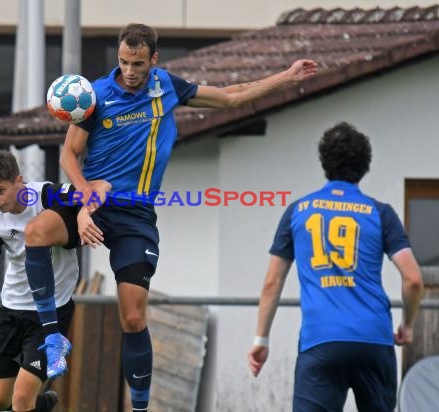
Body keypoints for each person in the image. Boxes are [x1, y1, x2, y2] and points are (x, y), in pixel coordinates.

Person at [25, 23, 318, 411]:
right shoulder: (93, 96)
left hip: (135, 214)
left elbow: (232, 97)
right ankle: (52, 336)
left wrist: (287, 76)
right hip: (92, 200)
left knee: (132, 316)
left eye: (138, 63)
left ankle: (141, 408)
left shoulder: (167, 88)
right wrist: (82, 203)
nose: (129, 70)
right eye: (124, 62)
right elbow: (68, 156)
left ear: (154, 60)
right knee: (36, 232)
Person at [247, 122, 424, 412]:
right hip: (373, 340)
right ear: (365, 165)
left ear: (324, 163)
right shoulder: (381, 213)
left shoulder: (297, 212)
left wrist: (261, 339)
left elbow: (272, 282)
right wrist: (407, 324)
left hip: (321, 340)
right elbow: (414, 279)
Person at [0, 150, 110, 412]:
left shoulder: (47, 195)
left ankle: (32, 404)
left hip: (50, 313)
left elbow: (92, 192)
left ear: (18, 180)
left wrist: (81, 214)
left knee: (21, 399)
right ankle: (42, 405)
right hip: (11, 310)